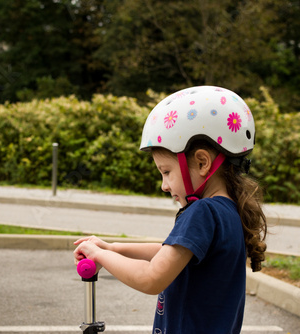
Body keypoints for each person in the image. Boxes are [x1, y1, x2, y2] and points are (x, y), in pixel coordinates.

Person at [73, 86, 267, 333]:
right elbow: (169, 253)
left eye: (166, 172)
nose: (164, 185)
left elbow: (152, 277)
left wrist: (99, 256)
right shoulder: (228, 211)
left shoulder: (203, 212)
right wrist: (112, 248)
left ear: (202, 162)